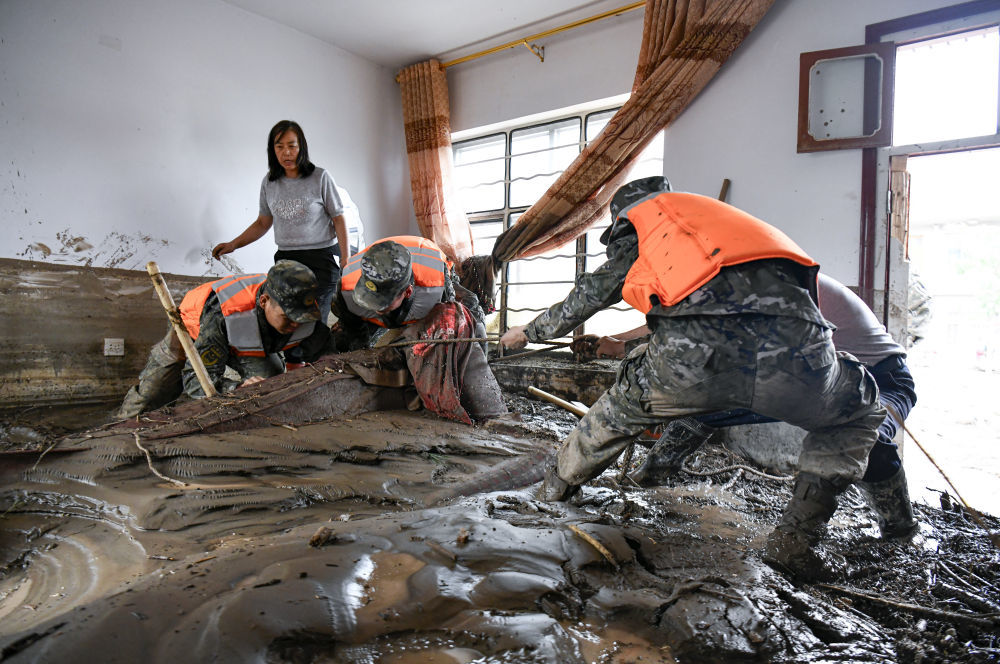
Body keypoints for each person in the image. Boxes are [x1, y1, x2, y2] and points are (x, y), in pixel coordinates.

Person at [499, 176, 885, 575]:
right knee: (858, 412)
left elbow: (596, 291)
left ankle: (552, 495)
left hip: (692, 364)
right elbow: (722, 318)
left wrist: (529, 332)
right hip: (801, 358)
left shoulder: (646, 221)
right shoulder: (721, 223)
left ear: (621, 220)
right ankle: (797, 541)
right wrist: (624, 345)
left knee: (618, 410)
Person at [581, 273, 919, 540]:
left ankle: (899, 528)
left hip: (882, 378)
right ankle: (654, 472)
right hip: (815, 379)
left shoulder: (785, 289)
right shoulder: (732, 289)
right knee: (707, 402)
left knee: (865, 438)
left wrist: (637, 352)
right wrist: (618, 342)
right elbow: (676, 326)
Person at [115, 260, 332, 419]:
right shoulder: (222, 313)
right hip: (192, 334)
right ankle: (118, 433)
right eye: (288, 317)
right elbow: (196, 382)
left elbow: (327, 359)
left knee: (269, 384)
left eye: (300, 318)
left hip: (251, 343)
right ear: (264, 301)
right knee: (153, 393)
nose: (296, 325)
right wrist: (237, 388)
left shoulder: (305, 313)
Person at [333, 236, 505, 424]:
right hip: (381, 290)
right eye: (370, 300)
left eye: (382, 303)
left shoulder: (435, 287)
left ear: (407, 292)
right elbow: (357, 339)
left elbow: (450, 327)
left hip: (434, 273)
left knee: (469, 310)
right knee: (345, 341)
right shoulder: (347, 290)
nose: (375, 308)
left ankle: (484, 369)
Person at [212, 120, 350, 322]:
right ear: (272, 150)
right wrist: (234, 244)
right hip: (286, 259)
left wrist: (346, 258)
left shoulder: (320, 177)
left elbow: (338, 218)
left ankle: (317, 353)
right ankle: (295, 354)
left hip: (321, 259)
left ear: (301, 147)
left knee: (312, 322)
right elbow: (262, 223)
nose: (286, 152)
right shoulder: (270, 182)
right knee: (285, 319)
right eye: (280, 146)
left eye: (292, 146)